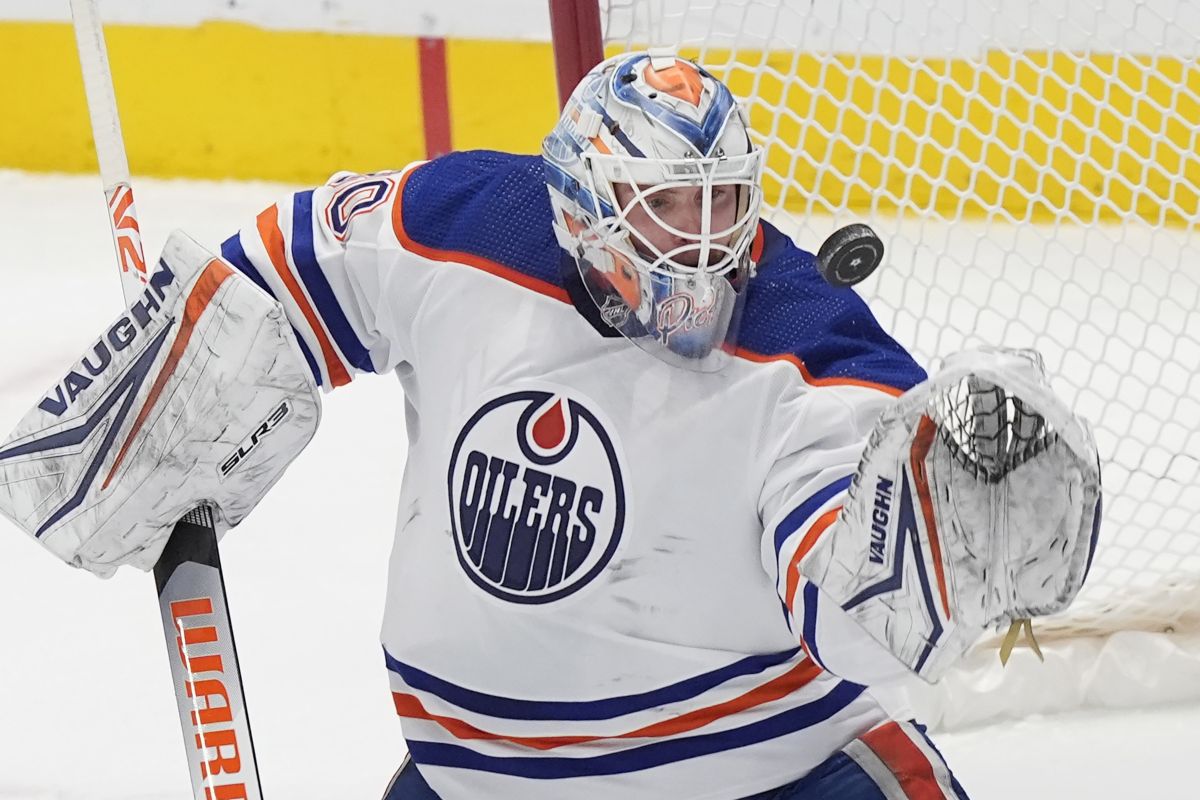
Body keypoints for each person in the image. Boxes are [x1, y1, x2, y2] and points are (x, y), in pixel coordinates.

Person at [0, 50, 1101, 799]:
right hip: (474, 778)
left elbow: (851, 588)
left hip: (764, 778)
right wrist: (191, 369)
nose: (706, 244)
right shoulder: (465, 225)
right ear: (580, 199)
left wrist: (931, 541)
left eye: (725, 204)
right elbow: (289, 267)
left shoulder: (810, 347)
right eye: (670, 208)